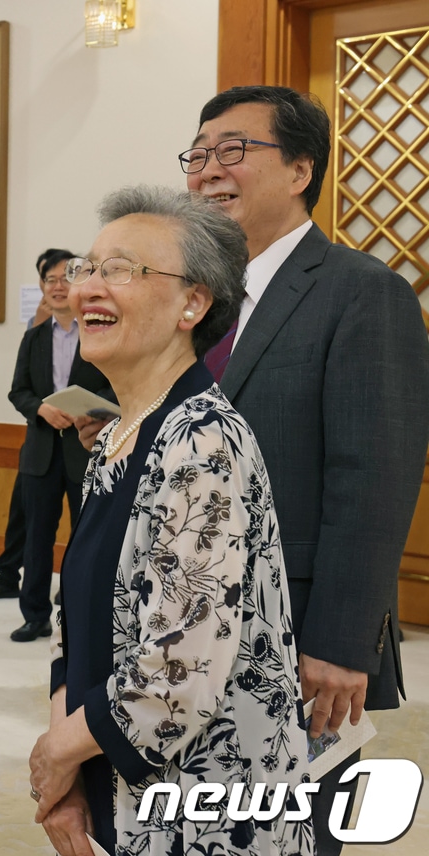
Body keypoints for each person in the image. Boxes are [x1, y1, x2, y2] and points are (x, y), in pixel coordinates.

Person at [30, 184, 313, 856]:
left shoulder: (202, 441)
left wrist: (56, 755)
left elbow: (178, 672)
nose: (90, 287)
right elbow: (76, 621)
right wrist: (67, 771)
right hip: (116, 767)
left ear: (193, 302)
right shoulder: (125, 434)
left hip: (207, 805)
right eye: (87, 268)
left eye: (122, 270)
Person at [183, 85, 429, 853]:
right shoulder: (194, 299)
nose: (207, 172)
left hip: (297, 632)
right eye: (198, 155)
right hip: (189, 622)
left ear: (299, 169)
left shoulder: (363, 293)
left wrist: (341, 641)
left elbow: (374, 479)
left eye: (232, 151)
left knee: (288, 828)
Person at [6, 249, 111, 642]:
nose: (57, 286)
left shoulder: (100, 332)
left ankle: (81, 615)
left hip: (85, 453)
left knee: (86, 541)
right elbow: (19, 391)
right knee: (36, 541)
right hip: (41, 454)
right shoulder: (33, 339)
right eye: (49, 280)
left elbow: (112, 386)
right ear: (41, 288)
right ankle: (34, 615)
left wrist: (86, 408)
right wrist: (42, 409)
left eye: (66, 278)